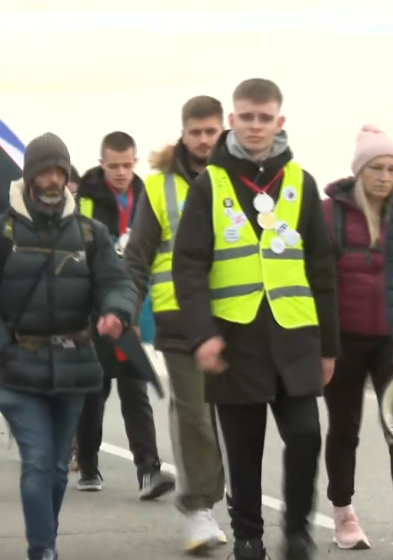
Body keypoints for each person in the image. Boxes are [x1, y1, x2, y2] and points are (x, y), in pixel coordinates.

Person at [172, 78, 338, 560]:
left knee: (307, 435)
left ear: (279, 122)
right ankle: (248, 537)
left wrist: (330, 346)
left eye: (265, 118)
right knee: (243, 451)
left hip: (295, 339)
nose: (256, 126)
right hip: (235, 339)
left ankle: (299, 530)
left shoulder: (301, 183)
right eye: (247, 117)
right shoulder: (211, 184)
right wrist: (202, 333)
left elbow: (321, 270)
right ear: (232, 121)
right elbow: (189, 267)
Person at [0, 132, 136, 560]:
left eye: (60, 172)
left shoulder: (92, 235)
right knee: (37, 461)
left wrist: (116, 311)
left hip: (75, 366)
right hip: (18, 367)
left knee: (56, 469)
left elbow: (118, 283)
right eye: (44, 172)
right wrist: (3, 349)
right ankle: (43, 551)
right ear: (29, 177)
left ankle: (45, 542)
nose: (53, 181)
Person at [122, 95, 228, 553]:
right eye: (196, 132)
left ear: (223, 131)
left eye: (211, 131)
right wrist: (126, 308)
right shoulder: (159, 186)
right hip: (178, 318)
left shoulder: (240, 180)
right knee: (195, 415)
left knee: (235, 418)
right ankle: (198, 507)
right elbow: (138, 256)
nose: (204, 140)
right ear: (183, 134)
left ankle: (234, 505)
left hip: (236, 315)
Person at [74, 131, 175, 499]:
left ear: (135, 162)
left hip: (129, 307)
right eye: (113, 166)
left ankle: (149, 470)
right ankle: (87, 462)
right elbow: (76, 249)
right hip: (94, 309)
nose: (120, 172)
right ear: (102, 164)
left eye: (127, 165)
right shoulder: (84, 199)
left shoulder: (148, 195)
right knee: (94, 392)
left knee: (135, 389)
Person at [323, 125, 393, 550]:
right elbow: (318, 280)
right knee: (344, 428)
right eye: (378, 168)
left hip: (391, 342)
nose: (386, 176)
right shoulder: (329, 213)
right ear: (361, 171)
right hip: (343, 340)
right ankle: (343, 512)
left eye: (392, 168)